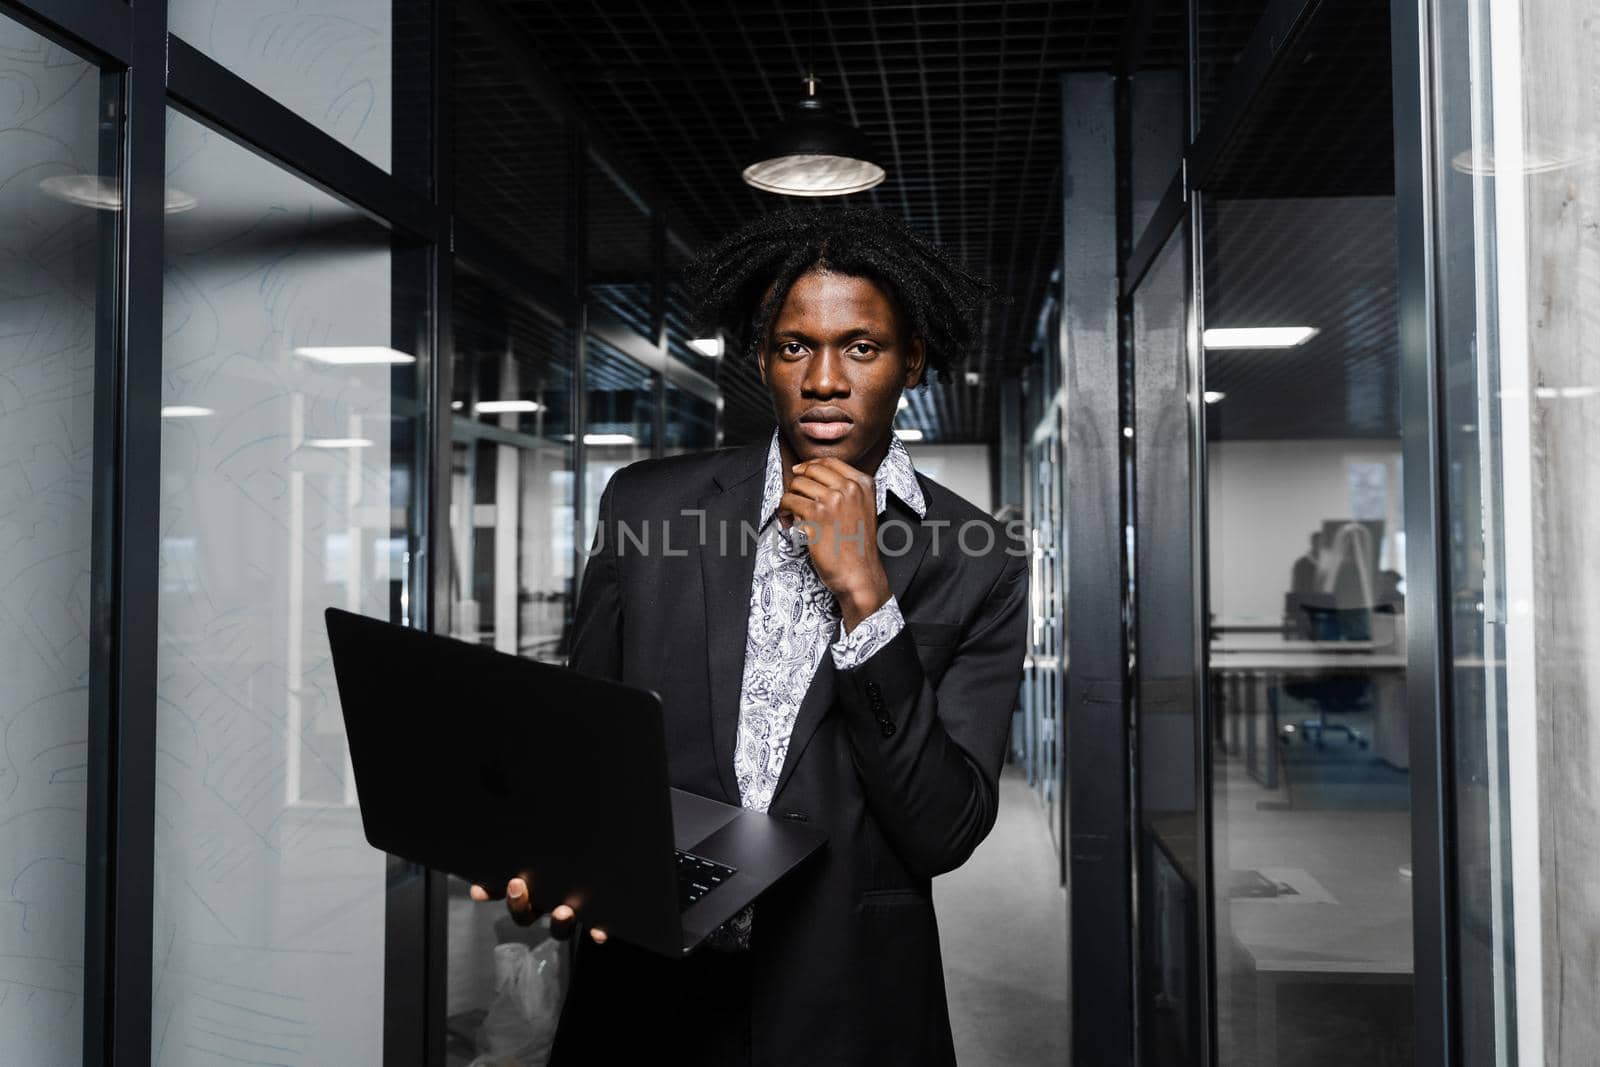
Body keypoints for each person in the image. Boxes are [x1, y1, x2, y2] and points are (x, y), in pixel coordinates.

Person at [473, 206, 1029, 1066]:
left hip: (849, 1004)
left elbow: (943, 829)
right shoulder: (645, 507)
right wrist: (547, 858)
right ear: (762, 358)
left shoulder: (980, 561)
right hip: (645, 1001)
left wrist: (867, 599)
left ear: (911, 358)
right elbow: (582, 752)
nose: (825, 378)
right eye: (795, 345)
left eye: (862, 346)